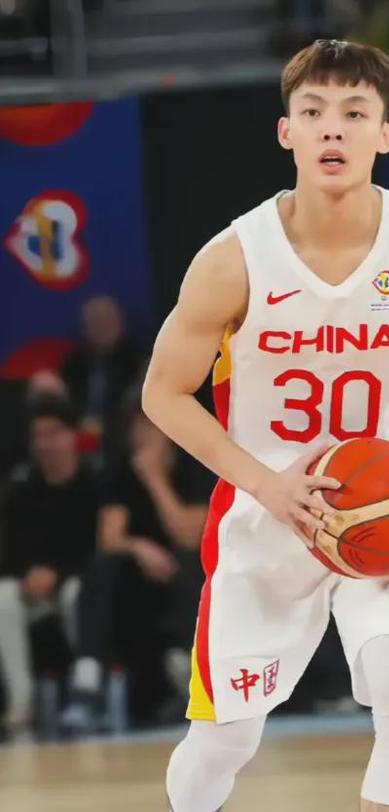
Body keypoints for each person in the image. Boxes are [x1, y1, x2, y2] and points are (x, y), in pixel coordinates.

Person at [142, 39, 389, 812]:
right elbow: (163, 394)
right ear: (287, 132)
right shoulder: (232, 258)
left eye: (354, 113)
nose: (332, 128)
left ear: (386, 134)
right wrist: (267, 484)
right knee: (226, 741)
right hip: (267, 515)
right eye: (313, 112)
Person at [60, 389, 211, 732]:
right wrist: (140, 547)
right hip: (138, 584)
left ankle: (185, 671)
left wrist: (154, 479)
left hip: (185, 579)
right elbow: (110, 538)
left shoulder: (194, 467)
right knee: (103, 566)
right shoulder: (121, 472)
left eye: (150, 425)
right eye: (137, 426)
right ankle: (88, 676)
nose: (141, 435)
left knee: (190, 561)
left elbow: (189, 535)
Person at [0, 397, 100, 733]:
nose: (45, 444)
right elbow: (10, 549)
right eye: (38, 436)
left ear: (73, 436)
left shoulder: (92, 483)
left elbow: (95, 548)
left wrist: (57, 573)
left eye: (54, 433)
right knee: (3, 596)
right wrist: (27, 575)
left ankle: (84, 692)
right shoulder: (20, 487)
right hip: (32, 591)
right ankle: (21, 700)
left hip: (75, 583)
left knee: (76, 594)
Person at [60, 295, 142, 455]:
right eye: (95, 323)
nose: (101, 329)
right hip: (78, 433)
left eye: (107, 322)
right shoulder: (73, 363)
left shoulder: (136, 361)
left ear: (120, 325)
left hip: (120, 434)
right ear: (85, 329)